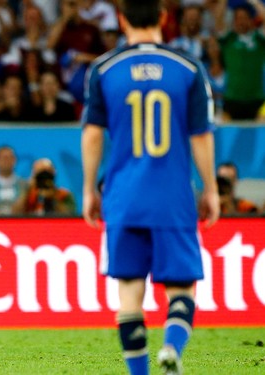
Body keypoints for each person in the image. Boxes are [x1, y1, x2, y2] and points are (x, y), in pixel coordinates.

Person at [81, 1, 220, 374]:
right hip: (172, 196)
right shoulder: (188, 69)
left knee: (129, 293)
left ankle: (139, 373)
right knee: (181, 289)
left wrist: (88, 189)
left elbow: (93, 134)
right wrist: (210, 188)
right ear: (163, 18)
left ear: (122, 19)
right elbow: (201, 136)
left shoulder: (104, 68)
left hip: (123, 196)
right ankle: (172, 348)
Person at [0, 146, 28, 216]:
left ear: (14, 160)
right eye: (4, 158)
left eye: (10, 158)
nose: (6, 161)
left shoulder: (26, 186)